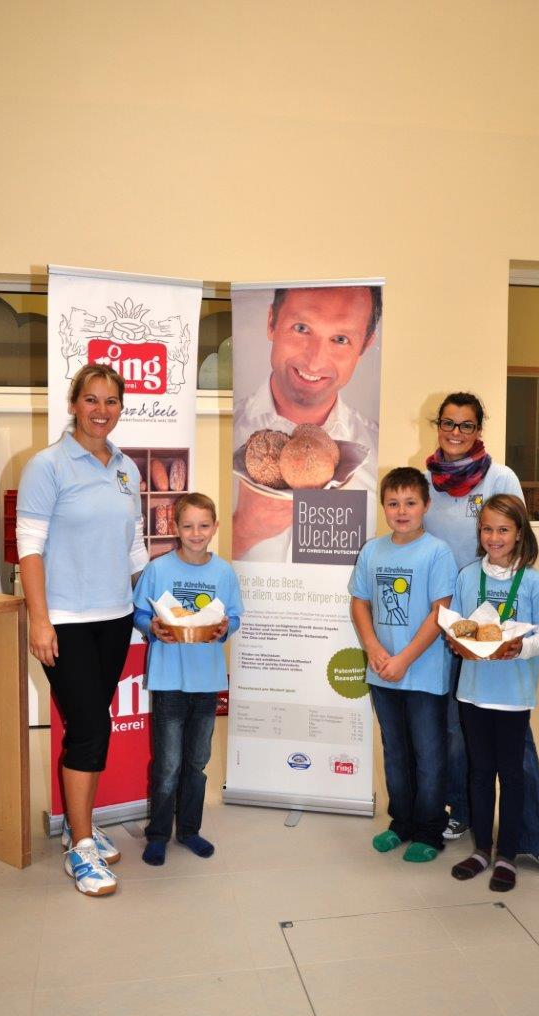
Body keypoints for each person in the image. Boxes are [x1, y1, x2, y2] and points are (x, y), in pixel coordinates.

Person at [424, 391, 539, 884]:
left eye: (466, 425)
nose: (456, 433)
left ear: (479, 429)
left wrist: (512, 636)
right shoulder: (426, 479)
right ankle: (468, 819)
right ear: (438, 425)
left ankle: (536, 841)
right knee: (457, 734)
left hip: (498, 618)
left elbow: (517, 541)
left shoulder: (500, 477)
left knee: (516, 752)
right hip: (449, 616)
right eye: (448, 423)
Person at [17, 363, 148, 896]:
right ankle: (81, 848)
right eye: (91, 399)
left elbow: (134, 546)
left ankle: (80, 825)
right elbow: (30, 548)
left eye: (111, 401)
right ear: (73, 404)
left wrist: (153, 605)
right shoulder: (47, 466)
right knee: (90, 728)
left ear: (120, 408)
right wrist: (39, 620)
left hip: (115, 618)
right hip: (66, 621)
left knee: (94, 726)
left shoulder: (126, 468)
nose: (101, 410)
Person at [448, 495, 539, 892]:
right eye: (487, 529)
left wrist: (519, 647)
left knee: (511, 775)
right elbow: (458, 625)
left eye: (504, 530)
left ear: (519, 533)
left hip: (513, 695)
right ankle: (481, 850)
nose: (494, 537)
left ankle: (507, 855)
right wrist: (456, 642)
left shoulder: (534, 582)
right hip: (473, 692)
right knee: (479, 773)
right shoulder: (467, 576)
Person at [349, 467, 457, 861]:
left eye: (410, 502)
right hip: (383, 673)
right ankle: (402, 823)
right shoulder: (372, 551)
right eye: (393, 503)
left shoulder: (437, 552)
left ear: (426, 505)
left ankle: (430, 830)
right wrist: (374, 648)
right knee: (395, 752)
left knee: (428, 755)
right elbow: (359, 602)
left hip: (423, 674)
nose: (401, 510)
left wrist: (405, 659)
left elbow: (440, 612)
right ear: (383, 506)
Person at [133, 492, 243, 867]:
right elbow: (138, 612)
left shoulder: (223, 573)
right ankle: (158, 835)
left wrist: (226, 629)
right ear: (175, 528)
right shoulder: (158, 570)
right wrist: (152, 628)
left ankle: (190, 830)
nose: (196, 533)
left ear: (215, 527)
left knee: (196, 762)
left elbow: (235, 617)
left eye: (203, 525)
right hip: (169, 681)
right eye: (188, 526)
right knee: (167, 765)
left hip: (207, 682)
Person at [233, 285, 381, 561]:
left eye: (340, 339)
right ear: (271, 322)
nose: (314, 362)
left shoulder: (378, 455)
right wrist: (241, 531)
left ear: (365, 345)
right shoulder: (224, 437)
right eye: (301, 328)